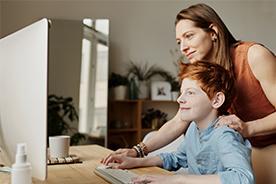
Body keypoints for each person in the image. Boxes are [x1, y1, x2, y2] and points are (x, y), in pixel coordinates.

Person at [102, 3, 276, 163]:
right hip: (251, 148)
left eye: (189, 36)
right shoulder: (205, 71)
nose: (182, 48)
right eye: (179, 42)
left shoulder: (254, 55)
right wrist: (137, 151)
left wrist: (248, 128)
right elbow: (179, 121)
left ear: (213, 32)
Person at [106, 61, 255, 184]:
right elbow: (177, 158)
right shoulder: (193, 129)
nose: (180, 99)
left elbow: (243, 178)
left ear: (216, 100)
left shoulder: (224, 134)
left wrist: (178, 179)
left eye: (190, 92)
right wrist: (135, 162)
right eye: (182, 92)